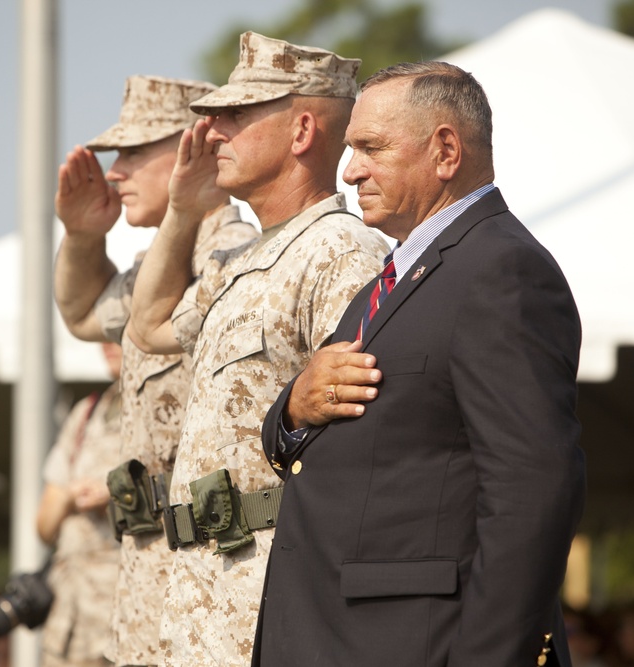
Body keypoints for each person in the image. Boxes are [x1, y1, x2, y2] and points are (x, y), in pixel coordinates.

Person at [253, 61, 586, 666]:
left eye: (370, 147)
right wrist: (294, 408)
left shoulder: (501, 271)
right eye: (351, 147)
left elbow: (532, 494)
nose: (349, 170)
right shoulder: (393, 278)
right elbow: (305, 448)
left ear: (446, 150)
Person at [128, 32, 390, 666]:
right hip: (200, 599)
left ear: (302, 132)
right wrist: (183, 214)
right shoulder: (242, 259)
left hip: (271, 599)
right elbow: (149, 327)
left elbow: (368, 437)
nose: (214, 132)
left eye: (238, 116)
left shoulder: (341, 251)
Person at [53, 75, 258, 666]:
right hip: (151, 553)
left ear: (193, 147)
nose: (114, 171)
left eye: (135, 152)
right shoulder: (156, 262)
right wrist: (84, 236)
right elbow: (83, 313)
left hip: (213, 554)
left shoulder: (235, 251)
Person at [36, 342, 124, 667]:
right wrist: (71, 496)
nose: (106, 344)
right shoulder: (87, 413)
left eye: (118, 332)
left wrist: (114, 495)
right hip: (69, 618)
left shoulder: (160, 407)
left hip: (122, 612)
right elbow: (44, 525)